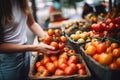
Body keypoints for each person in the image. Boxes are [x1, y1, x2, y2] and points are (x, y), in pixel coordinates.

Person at [0, 0, 59, 80]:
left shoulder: (22, 2)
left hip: (25, 53)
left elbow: (32, 23)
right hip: (9, 59)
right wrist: (35, 48)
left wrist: (47, 38)